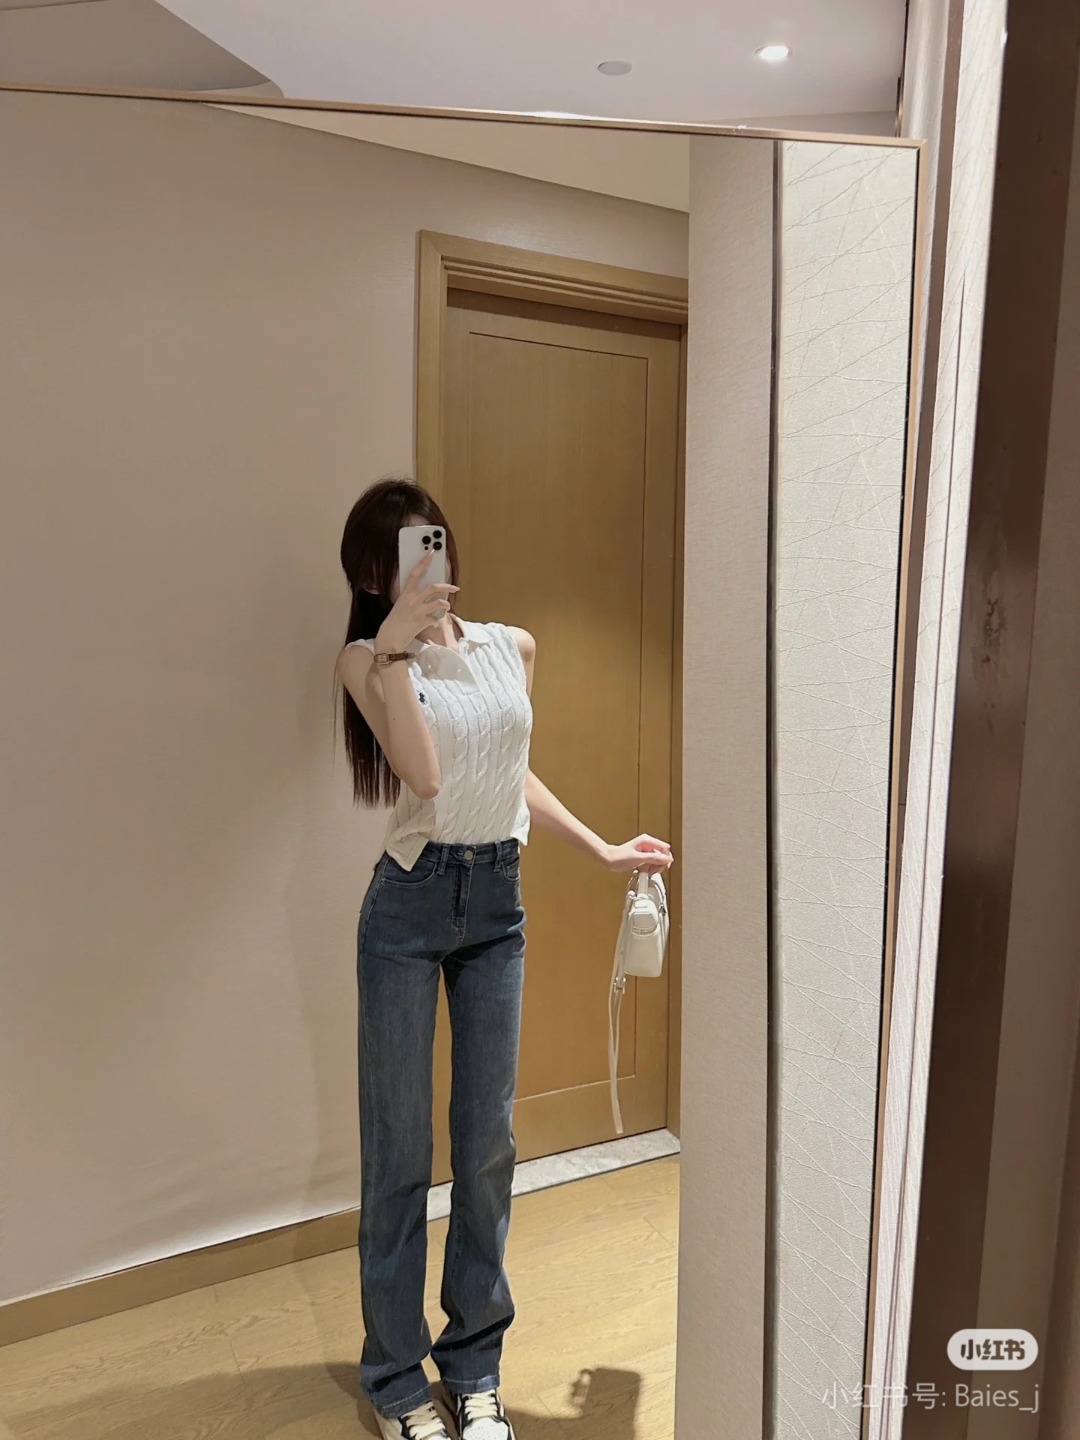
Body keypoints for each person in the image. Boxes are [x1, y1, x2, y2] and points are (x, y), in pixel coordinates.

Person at [335, 479, 674, 1440]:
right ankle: (396, 1380)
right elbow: (425, 774)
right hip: (407, 908)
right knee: (399, 1154)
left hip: (496, 905)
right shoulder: (364, 660)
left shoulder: (510, 646)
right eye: (401, 554)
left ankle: (474, 1366)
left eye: (432, 543)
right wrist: (394, 647)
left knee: (487, 1147)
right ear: (372, 574)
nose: (425, 564)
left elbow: (506, 769)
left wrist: (602, 849)